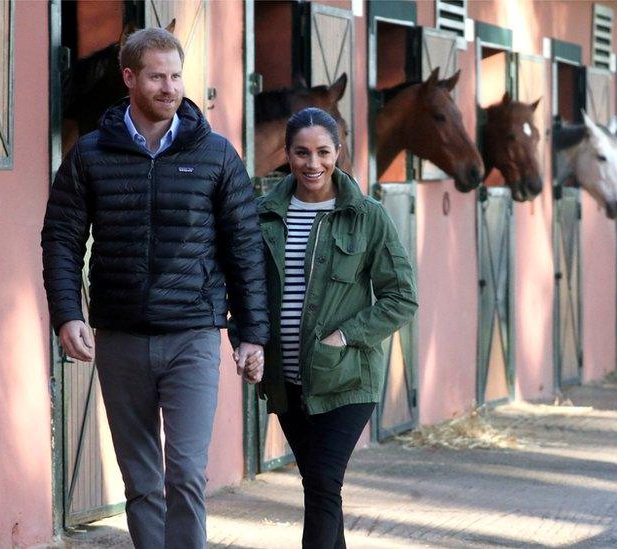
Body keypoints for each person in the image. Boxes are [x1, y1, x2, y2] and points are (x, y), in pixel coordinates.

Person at [41, 28, 267, 549]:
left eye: (176, 75)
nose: (170, 87)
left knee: (185, 471)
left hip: (192, 334)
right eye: (157, 76)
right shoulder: (89, 155)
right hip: (118, 336)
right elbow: (61, 239)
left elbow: (245, 247)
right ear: (130, 78)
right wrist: (66, 313)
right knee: (141, 481)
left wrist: (251, 333)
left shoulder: (216, 155)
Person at [253, 107, 418, 548]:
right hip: (286, 382)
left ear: (338, 153)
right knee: (320, 487)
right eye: (302, 153)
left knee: (324, 483)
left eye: (323, 152)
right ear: (287, 154)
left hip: (345, 377)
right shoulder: (263, 215)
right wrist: (245, 338)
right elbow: (245, 287)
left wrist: (344, 336)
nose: (313, 163)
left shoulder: (367, 216)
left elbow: (402, 296)